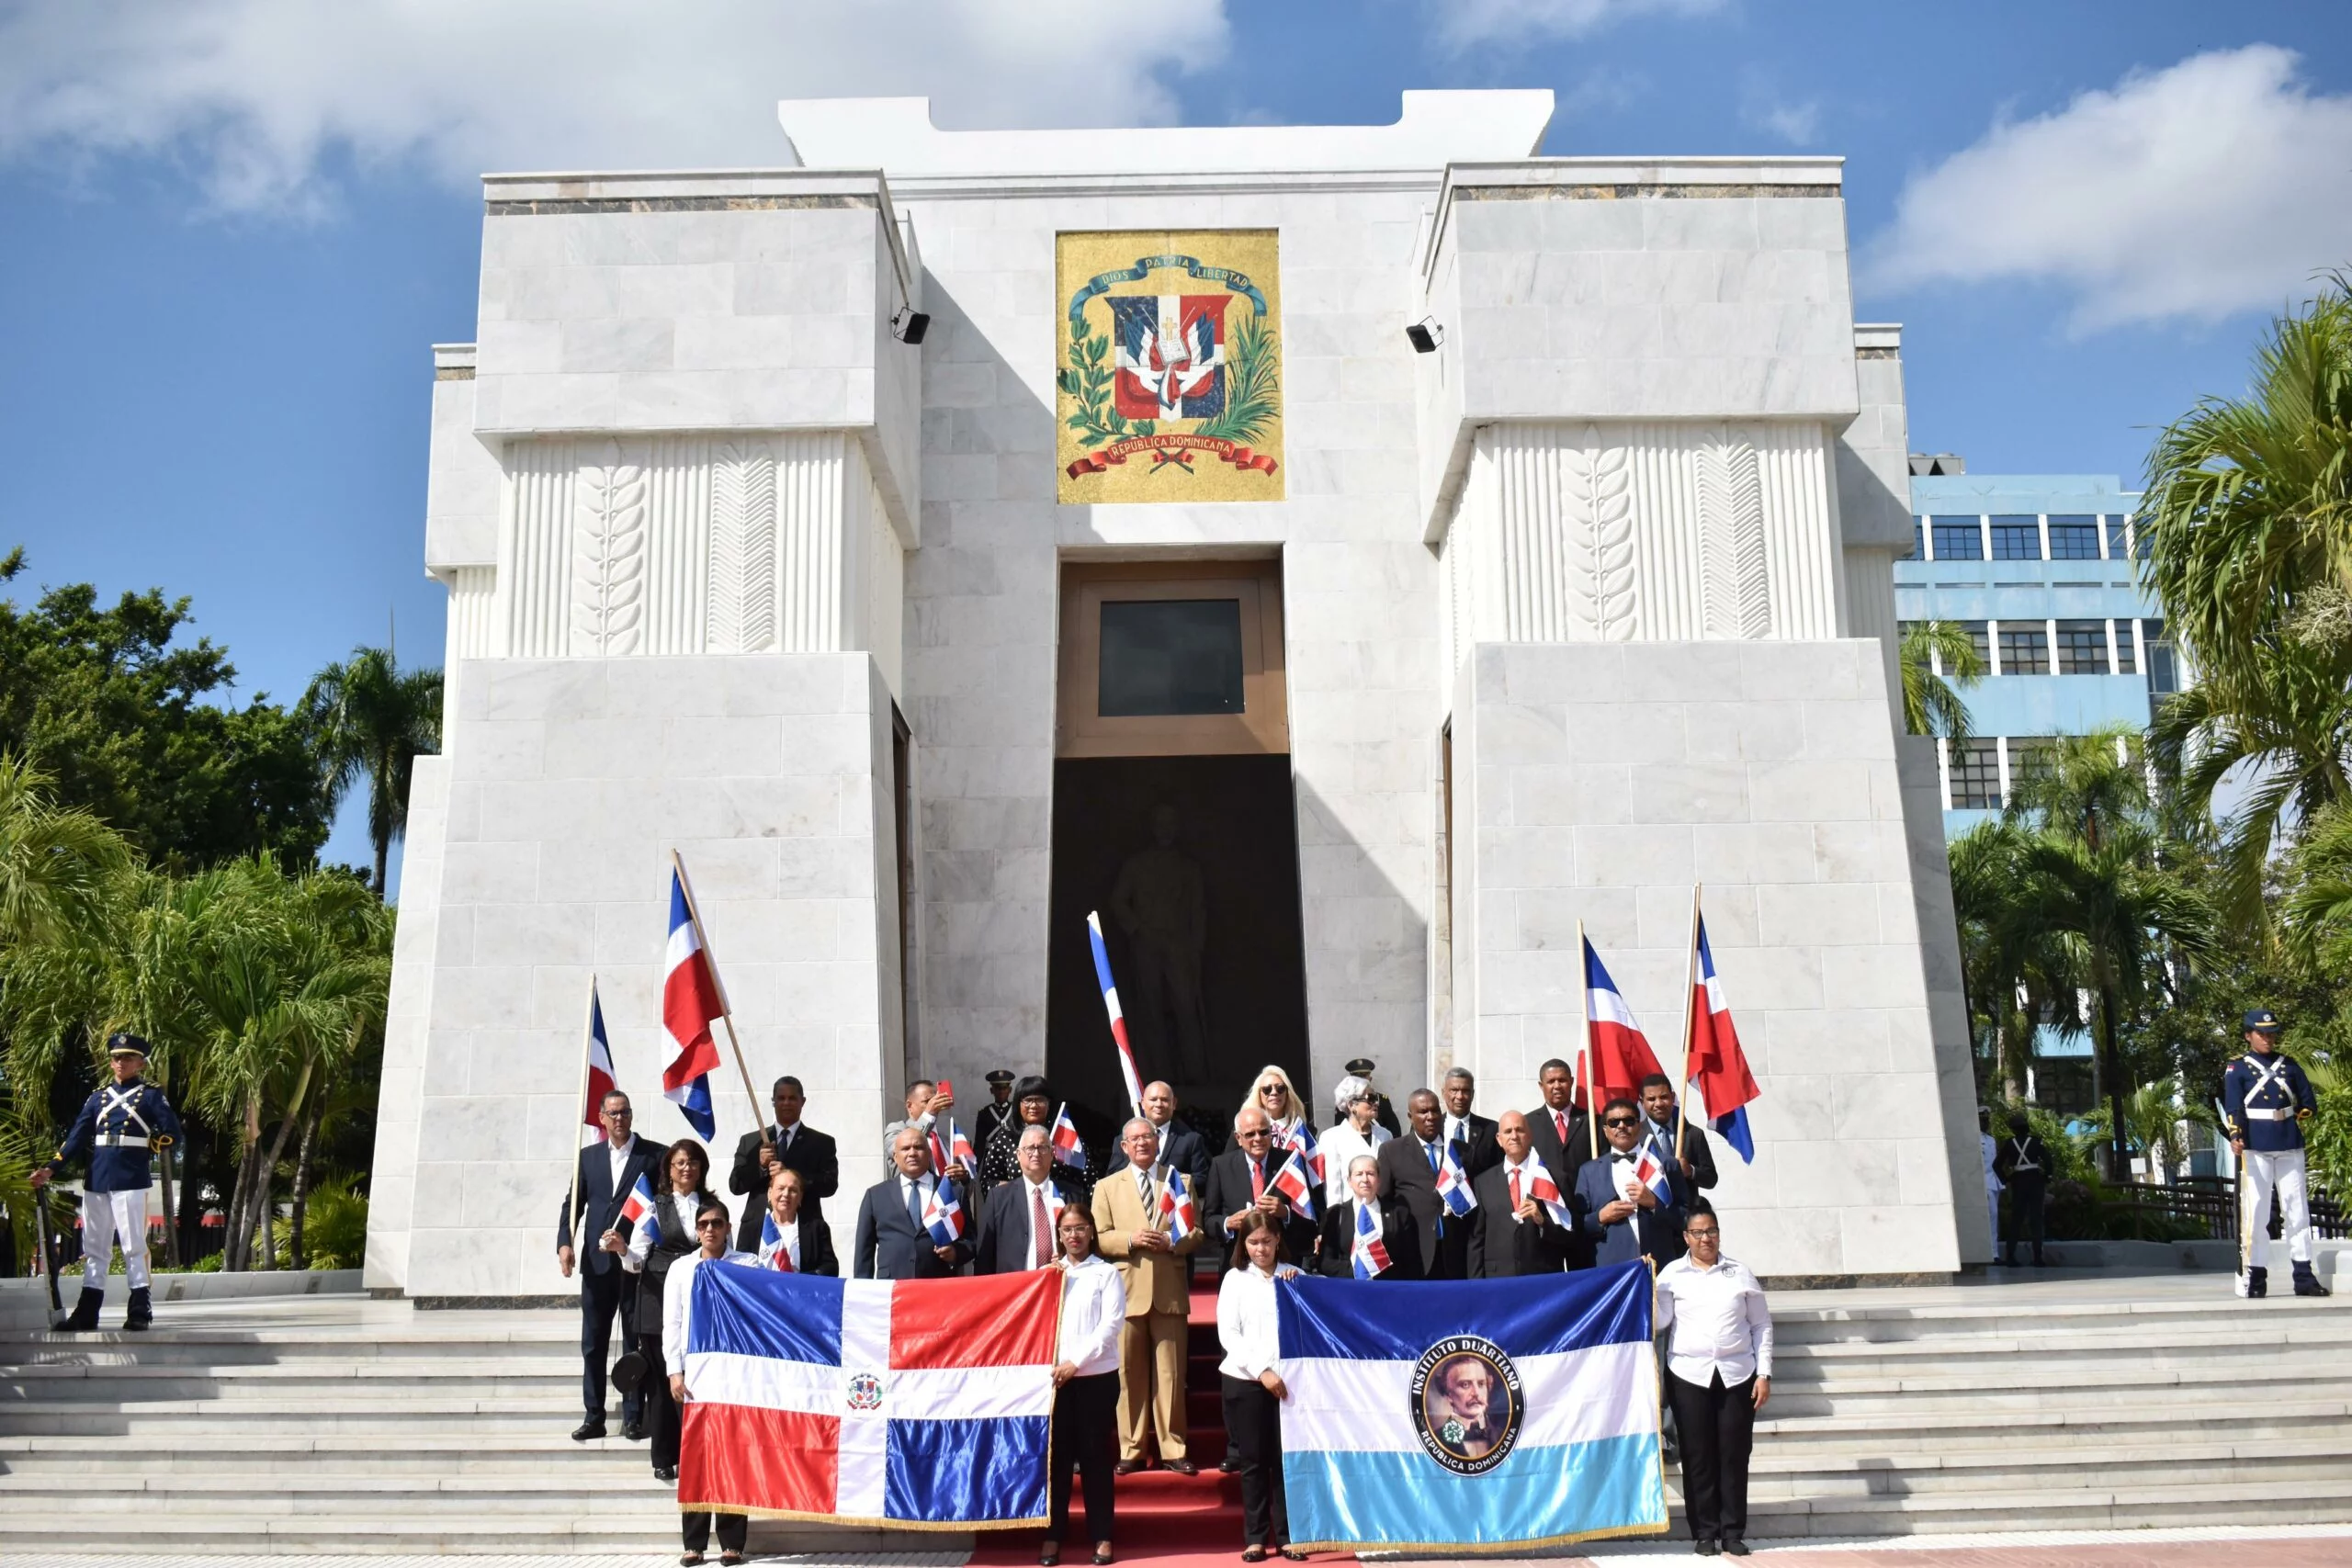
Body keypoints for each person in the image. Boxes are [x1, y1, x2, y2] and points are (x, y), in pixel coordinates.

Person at [32, 1032, 183, 1333]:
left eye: (127, 1057)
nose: (120, 1062)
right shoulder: (97, 1097)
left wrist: (145, 1150)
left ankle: (140, 1306)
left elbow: (172, 1134)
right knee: (95, 1247)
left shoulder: (151, 1095)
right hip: (98, 1176)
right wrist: (51, 1169)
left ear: (141, 1062)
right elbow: (76, 1137)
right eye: (116, 1057)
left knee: (133, 1245)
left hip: (130, 1176)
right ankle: (88, 1310)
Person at [1655, 1201, 1771, 1558]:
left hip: (1737, 1375)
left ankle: (1733, 1531)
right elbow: (1658, 1323)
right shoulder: (1672, 1274)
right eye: (1699, 1233)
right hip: (1689, 1375)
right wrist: (1645, 1285)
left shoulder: (1740, 1273)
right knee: (1698, 1456)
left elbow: (1761, 1325)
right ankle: (1704, 1532)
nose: (1706, 1239)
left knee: (1734, 1454)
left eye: (1712, 1231)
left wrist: (1763, 1373)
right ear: (1686, 1237)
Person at [1091, 1117, 1206, 1474]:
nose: (1142, 1143)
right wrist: (1130, 1239)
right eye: (1134, 1139)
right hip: (1125, 1292)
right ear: (1123, 1147)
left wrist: (1174, 1242)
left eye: (1148, 1137)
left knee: (1171, 1374)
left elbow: (1197, 1233)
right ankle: (1132, 1448)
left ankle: (1174, 1448)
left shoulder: (1180, 1181)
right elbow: (1098, 1236)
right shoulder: (1107, 1186)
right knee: (1129, 1374)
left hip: (1169, 1291)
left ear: (1158, 1141)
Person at [555, 1089, 663, 1440]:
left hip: (635, 1262)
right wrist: (565, 1243)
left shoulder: (653, 1155)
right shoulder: (587, 1158)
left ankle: (634, 1416)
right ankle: (594, 1415)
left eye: (625, 1112)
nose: (619, 1119)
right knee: (594, 1343)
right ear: (601, 1117)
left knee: (635, 1341)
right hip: (597, 1264)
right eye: (613, 1113)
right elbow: (574, 1204)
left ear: (632, 1116)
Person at [613, 1137, 719, 1482]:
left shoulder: (712, 1206)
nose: (686, 1168)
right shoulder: (654, 1206)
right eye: (679, 1163)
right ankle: (663, 1455)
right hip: (658, 1301)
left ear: (701, 1168)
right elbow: (637, 1261)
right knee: (661, 1387)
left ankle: (697, 1450)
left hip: (703, 1305)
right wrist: (621, 1249)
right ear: (669, 1169)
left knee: (698, 1383)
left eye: (692, 1162)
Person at [662, 1197, 758, 1566]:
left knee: (735, 1455)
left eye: (717, 1223)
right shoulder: (681, 1269)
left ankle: (733, 1543)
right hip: (694, 1378)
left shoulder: (747, 1265)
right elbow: (671, 1322)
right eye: (703, 1224)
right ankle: (694, 1543)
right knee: (696, 1459)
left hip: (735, 1376)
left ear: (728, 1228)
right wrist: (674, 1370)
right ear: (696, 1229)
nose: (710, 1230)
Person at [2222, 1009, 2328, 1298]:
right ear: (2248, 1036)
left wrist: (2302, 1113)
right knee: (2257, 1213)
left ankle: (2304, 1276)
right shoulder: (2238, 1068)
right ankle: (2256, 1278)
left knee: (2298, 1211)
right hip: (2255, 1144)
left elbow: (2307, 1100)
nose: (2268, 1038)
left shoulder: (2290, 1065)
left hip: (2289, 1141)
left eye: (2271, 1033)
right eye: (2261, 1033)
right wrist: (2236, 1134)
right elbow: (2233, 1106)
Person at [1217, 1212, 1304, 1562]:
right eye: (1253, 1242)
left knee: (1285, 1463)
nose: (1261, 1248)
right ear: (1244, 1244)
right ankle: (1256, 1537)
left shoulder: (1294, 1276)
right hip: (1247, 1381)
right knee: (1253, 1462)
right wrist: (1262, 1371)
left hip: (1289, 1383)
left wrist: (1301, 1281)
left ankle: (1287, 1537)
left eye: (1267, 1241)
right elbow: (1229, 1335)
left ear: (1278, 1240)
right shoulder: (1235, 1280)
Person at [1046, 1204, 1125, 1565]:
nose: (1073, 1236)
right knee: (1057, 1462)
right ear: (1059, 1235)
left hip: (1095, 1378)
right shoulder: (1050, 1274)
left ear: (1091, 1232)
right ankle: (1053, 1534)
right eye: (1066, 1230)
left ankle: (1102, 1535)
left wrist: (1075, 1364)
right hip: (1055, 1384)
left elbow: (1110, 1328)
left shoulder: (1106, 1273)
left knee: (1095, 1460)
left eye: (1080, 1228)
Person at [727, 1075, 840, 1253]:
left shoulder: (821, 1142)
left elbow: (829, 1185)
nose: (786, 1103)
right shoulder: (752, 1141)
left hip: (803, 1229)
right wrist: (760, 1166)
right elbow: (735, 1185)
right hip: (757, 1231)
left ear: (802, 1102)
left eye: (792, 1098)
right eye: (781, 1098)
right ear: (773, 1102)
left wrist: (792, 1175)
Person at [1576, 1099, 1689, 1267]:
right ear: (1606, 1130)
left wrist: (1653, 1203)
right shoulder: (1588, 1171)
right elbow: (1577, 1224)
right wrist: (1601, 1217)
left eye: (1628, 1121)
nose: (1621, 1126)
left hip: (1659, 1262)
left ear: (1639, 1125)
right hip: (1611, 1267)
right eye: (1614, 1122)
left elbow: (1686, 1217)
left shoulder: (1666, 1164)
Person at [852, 1126, 972, 1280]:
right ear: (895, 1156)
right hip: (893, 1290)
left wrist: (956, 1253)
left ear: (929, 1154)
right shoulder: (875, 1196)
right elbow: (864, 1253)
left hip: (939, 1288)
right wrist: (862, 1292)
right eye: (905, 1148)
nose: (912, 1153)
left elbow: (971, 1240)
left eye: (918, 1147)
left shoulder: (953, 1191)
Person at [1206, 1108, 1318, 1269]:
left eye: (1263, 1132)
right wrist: (1228, 1223)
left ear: (1271, 1133)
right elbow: (1208, 1220)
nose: (1258, 1138)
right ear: (1238, 1138)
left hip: (1284, 1264)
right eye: (1250, 1134)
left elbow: (1312, 1217)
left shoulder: (1290, 1162)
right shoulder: (1221, 1166)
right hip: (1237, 1264)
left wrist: (1285, 1213)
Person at [1375, 1089, 1468, 1280]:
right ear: (1410, 1116)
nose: (1431, 1117)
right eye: (1423, 1112)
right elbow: (1384, 1201)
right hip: (1413, 1250)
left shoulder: (1459, 1149)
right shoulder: (1392, 1151)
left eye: (1435, 1111)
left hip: (1454, 1250)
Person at [1468, 1111, 1572, 1278]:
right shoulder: (1483, 1182)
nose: (1514, 1136)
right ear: (1499, 1139)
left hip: (1543, 1278)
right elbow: (1477, 1240)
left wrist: (1542, 1221)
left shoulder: (1554, 1178)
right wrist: (1477, 1286)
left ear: (1530, 1135)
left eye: (1519, 1130)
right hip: (1498, 1281)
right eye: (1508, 1131)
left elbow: (1572, 1234)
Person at [978, 1125, 1088, 1273]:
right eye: (1030, 1148)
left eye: (1042, 1148)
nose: (1036, 1153)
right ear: (1018, 1154)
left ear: (1052, 1153)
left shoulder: (1073, 1195)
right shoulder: (998, 1198)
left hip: (1064, 1284)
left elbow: (1088, 1244)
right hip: (1016, 1289)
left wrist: (1069, 1256)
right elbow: (984, 1255)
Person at [1318, 1154, 1419, 1280]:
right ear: (1349, 1181)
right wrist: (1360, 1270)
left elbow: (1411, 1260)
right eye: (1359, 1174)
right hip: (1350, 1290)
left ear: (1379, 1180)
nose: (1365, 1179)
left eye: (1370, 1173)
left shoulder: (1399, 1214)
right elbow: (1325, 1262)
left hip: (1388, 1290)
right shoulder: (1335, 1214)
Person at [1106, 1080, 1209, 1189]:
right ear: (1143, 1103)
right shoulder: (1124, 1140)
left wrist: (1169, 1187)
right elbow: (1113, 1175)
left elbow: (1201, 1179)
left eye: (1164, 1100)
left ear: (1174, 1103)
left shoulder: (1191, 1140)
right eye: (1153, 1099)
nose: (1159, 1104)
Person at [1317, 1076, 1392, 1209]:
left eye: (1376, 1098)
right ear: (1352, 1105)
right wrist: (1336, 1221)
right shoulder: (1331, 1137)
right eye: (1371, 1099)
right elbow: (1332, 1187)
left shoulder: (1385, 1135)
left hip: (1382, 1213)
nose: (1376, 1103)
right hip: (1349, 1215)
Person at [1639, 1074, 1717, 1194]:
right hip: (1652, 1211)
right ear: (1642, 1102)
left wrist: (1691, 1171)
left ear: (1672, 1097)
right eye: (1651, 1099)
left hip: (1687, 1211)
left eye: (1664, 1097)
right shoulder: (1634, 1136)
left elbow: (1711, 1179)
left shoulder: (1693, 1134)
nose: (1659, 1103)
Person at [983, 1076, 1063, 1192]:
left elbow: (1086, 1180)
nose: (1034, 1106)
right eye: (1028, 1100)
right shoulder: (1006, 1138)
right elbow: (988, 1181)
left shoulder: (1063, 1136)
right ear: (1018, 1104)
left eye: (1040, 1100)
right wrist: (1011, 1190)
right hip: (1017, 1206)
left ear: (1049, 1104)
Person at [757, 1165, 839, 1276]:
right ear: (770, 1193)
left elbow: (830, 1267)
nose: (786, 1194)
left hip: (802, 1291)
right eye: (781, 1188)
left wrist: (801, 1281)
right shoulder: (754, 1228)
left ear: (800, 1197)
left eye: (793, 1190)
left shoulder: (817, 1228)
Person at [1992, 1112, 2048, 1269]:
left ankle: (2010, 1257)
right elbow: (2048, 1161)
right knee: (2036, 1219)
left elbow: (1996, 1165)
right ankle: (2038, 1258)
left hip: (2018, 1182)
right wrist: (2046, 1177)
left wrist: (2006, 1179)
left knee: (2016, 1220)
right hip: (2035, 1182)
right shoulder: (2036, 1142)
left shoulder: (2009, 1144)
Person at [1441, 1067, 1501, 1180]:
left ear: (1472, 1094)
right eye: (1454, 1090)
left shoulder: (1491, 1129)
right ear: (1443, 1093)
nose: (1460, 1096)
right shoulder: (1431, 1128)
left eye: (1465, 1091)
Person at [1331, 1056, 1401, 1135]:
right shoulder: (1344, 1101)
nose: (1361, 1080)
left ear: (1370, 1079)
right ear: (1350, 1105)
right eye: (1357, 1077)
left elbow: (1395, 1131)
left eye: (1364, 1076)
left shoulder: (1382, 1100)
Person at [1239, 1066, 1307, 1143]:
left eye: (1280, 1088)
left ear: (1287, 1093)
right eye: (1267, 1089)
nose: (1274, 1093)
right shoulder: (1244, 1128)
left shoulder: (1303, 1130)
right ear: (1258, 1094)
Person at [880, 1078, 938, 1159]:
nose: (934, 1104)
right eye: (927, 1101)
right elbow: (900, 1154)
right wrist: (928, 1115)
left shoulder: (943, 1139)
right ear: (909, 1106)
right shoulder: (896, 1129)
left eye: (935, 1100)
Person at [976, 1069, 1021, 1160]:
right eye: (997, 1088)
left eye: (1004, 1088)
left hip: (1012, 1155)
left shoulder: (1017, 1110)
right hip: (991, 1156)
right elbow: (979, 1143)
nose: (1001, 1091)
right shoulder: (984, 1113)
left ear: (1010, 1090)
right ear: (992, 1090)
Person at [1977, 1107, 2003, 1258]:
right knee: (1990, 1216)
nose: (1986, 1123)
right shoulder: (1976, 1140)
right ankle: (1991, 1253)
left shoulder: (1990, 1140)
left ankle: (1994, 1253)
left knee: (1994, 1216)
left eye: (1987, 1120)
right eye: (1983, 1120)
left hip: (1994, 1183)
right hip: (1983, 1183)